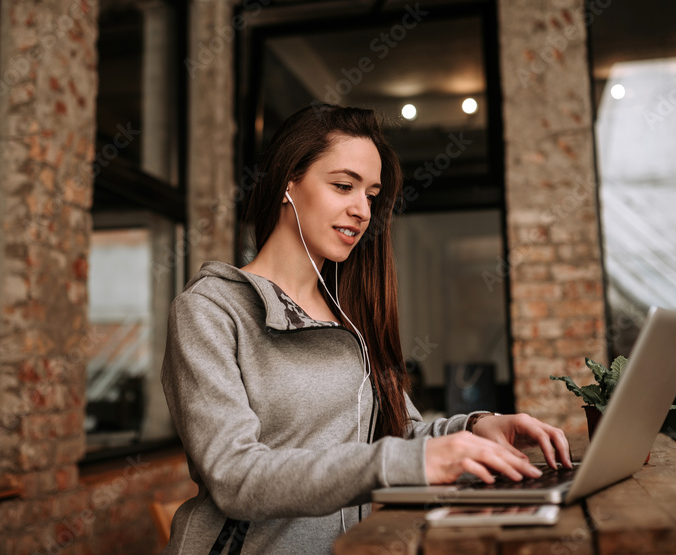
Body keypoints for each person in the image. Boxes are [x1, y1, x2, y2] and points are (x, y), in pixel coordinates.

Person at [161, 103, 571, 554]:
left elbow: (399, 437)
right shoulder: (210, 311)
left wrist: (475, 427)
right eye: (343, 186)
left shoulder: (348, 315)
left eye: (371, 196)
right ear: (287, 184)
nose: (362, 210)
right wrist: (407, 460)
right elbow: (236, 477)